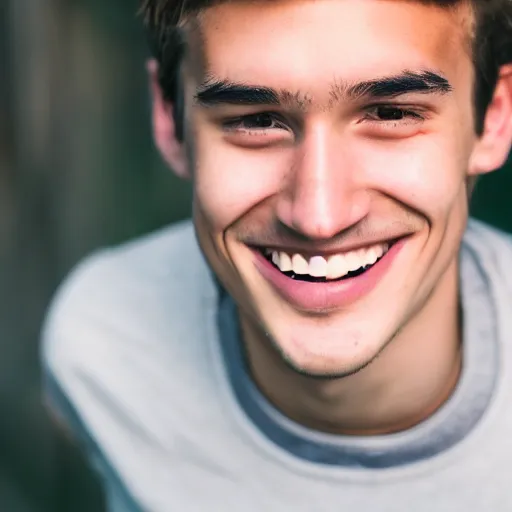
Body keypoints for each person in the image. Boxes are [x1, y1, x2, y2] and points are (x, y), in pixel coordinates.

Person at [42, 0, 512, 509]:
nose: (319, 216)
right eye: (256, 120)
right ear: (168, 117)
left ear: (492, 116)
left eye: (391, 113)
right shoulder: (105, 352)